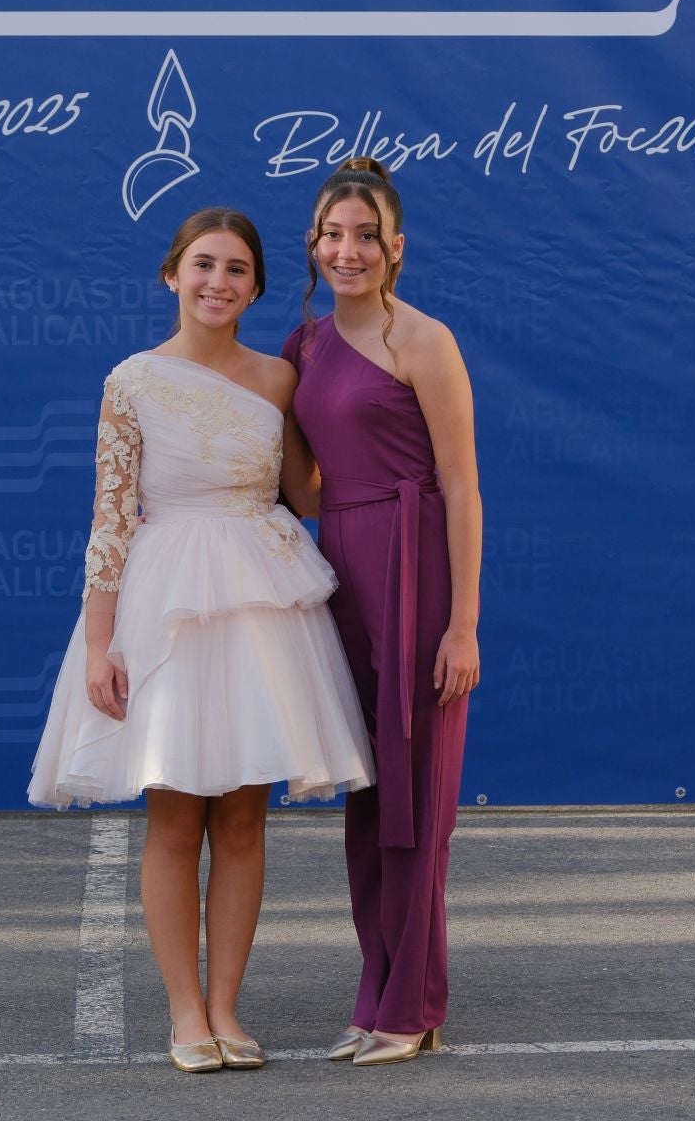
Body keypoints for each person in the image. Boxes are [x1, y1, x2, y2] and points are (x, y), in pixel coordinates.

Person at [29, 207, 373, 1074]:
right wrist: (103, 643)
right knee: (176, 814)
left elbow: (310, 491)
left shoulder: (280, 379)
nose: (218, 282)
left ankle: (228, 1009)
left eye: (236, 270)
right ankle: (186, 1014)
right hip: (166, 601)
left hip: (262, 599)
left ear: (257, 286)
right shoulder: (132, 381)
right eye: (203, 265)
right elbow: (109, 519)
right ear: (172, 274)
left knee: (247, 818)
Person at [280, 158, 482, 1067]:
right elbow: (303, 487)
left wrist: (463, 623)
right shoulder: (304, 347)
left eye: (367, 236)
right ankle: (377, 994)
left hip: (418, 572)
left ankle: (416, 1002)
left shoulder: (425, 341)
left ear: (398, 249)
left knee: (419, 800)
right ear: (314, 245)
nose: (348, 250)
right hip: (344, 579)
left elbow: (462, 484)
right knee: (368, 798)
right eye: (333, 234)